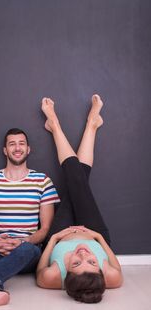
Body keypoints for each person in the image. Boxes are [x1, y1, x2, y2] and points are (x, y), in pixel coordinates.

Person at [36, 95, 123, 303]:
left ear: (67, 276)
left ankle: (69, 125)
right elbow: (115, 264)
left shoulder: (52, 278)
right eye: (92, 262)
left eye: (75, 263)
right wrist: (96, 237)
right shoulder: (112, 278)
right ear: (99, 271)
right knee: (78, 181)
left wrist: (55, 238)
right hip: (93, 232)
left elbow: (40, 270)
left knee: (77, 181)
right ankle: (72, 125)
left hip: (61, 232)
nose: (83, 254)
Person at [0, 128, 60, 308]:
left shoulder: (43, 181)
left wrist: (24, 240)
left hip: (27, 251)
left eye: (21, 143)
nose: (17, 148)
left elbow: (46, 229)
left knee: (29, 250)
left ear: (28, 149)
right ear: (5, 150)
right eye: (12, 144)